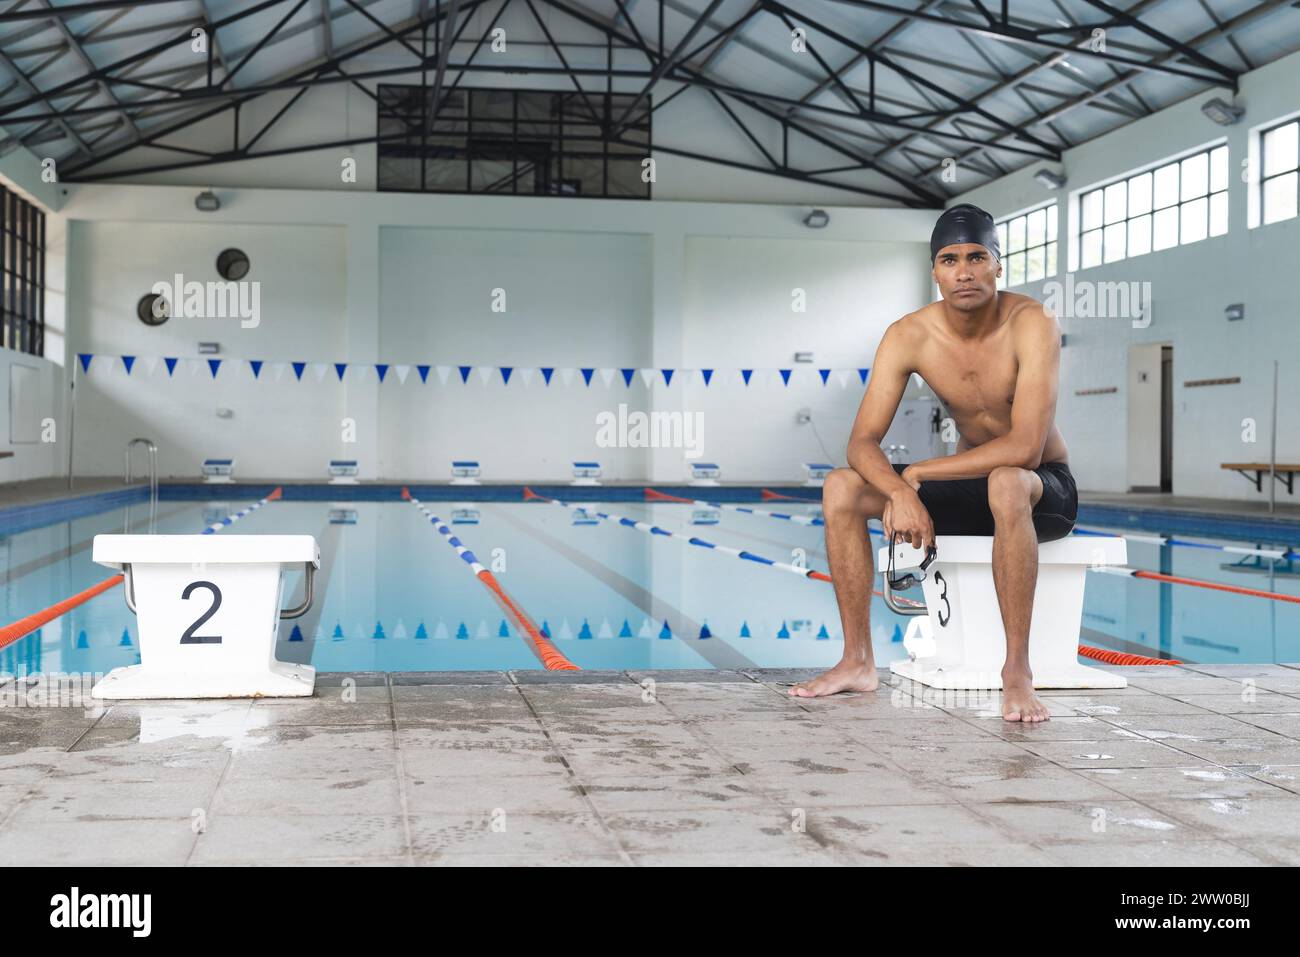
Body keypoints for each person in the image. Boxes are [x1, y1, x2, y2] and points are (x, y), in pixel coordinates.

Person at [790, 203, 1075, 723]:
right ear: (934, 271)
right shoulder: (909, 335)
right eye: (949, 260)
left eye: (976, 257)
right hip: (971, 486)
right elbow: (861, 442)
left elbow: (1025, 448)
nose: (963, 272)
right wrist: (899, 492)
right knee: (840, 488)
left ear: (997, 265)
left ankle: (1016, 671)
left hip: (1042, 491)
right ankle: (857, 660)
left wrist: (916, 475)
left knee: (1008, 481)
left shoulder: (1031, 322)